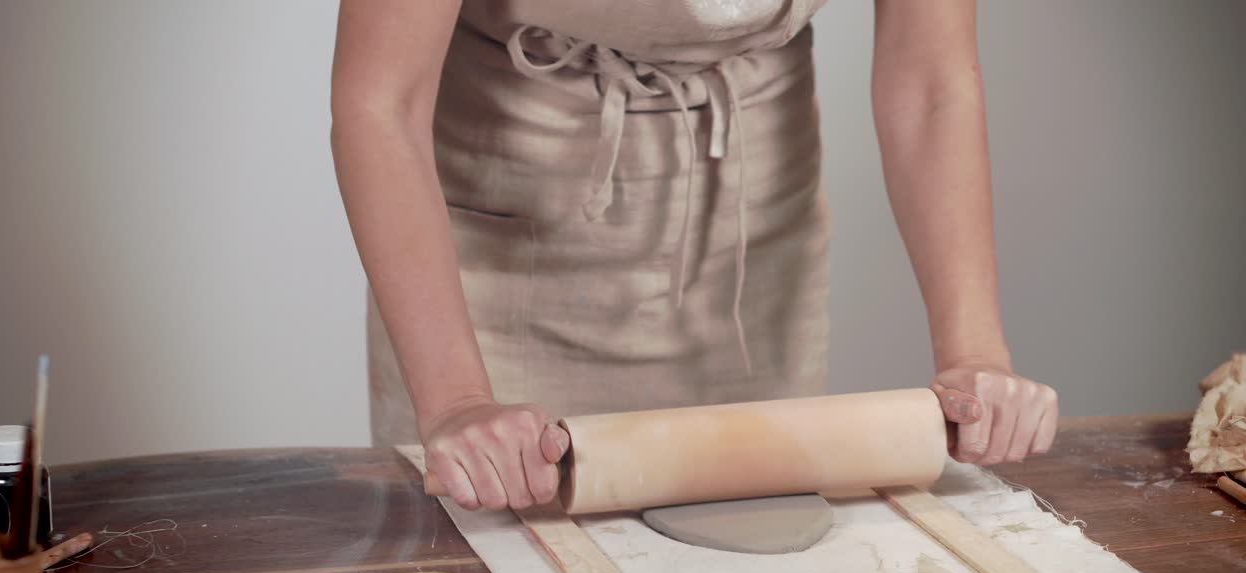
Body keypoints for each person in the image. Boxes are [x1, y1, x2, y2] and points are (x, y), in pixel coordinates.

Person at [330, 0, 1059, 512]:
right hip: (501, 242)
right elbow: (381, 103)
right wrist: (460, 401)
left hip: (752, 245)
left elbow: (932, 83)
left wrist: (975, 353)